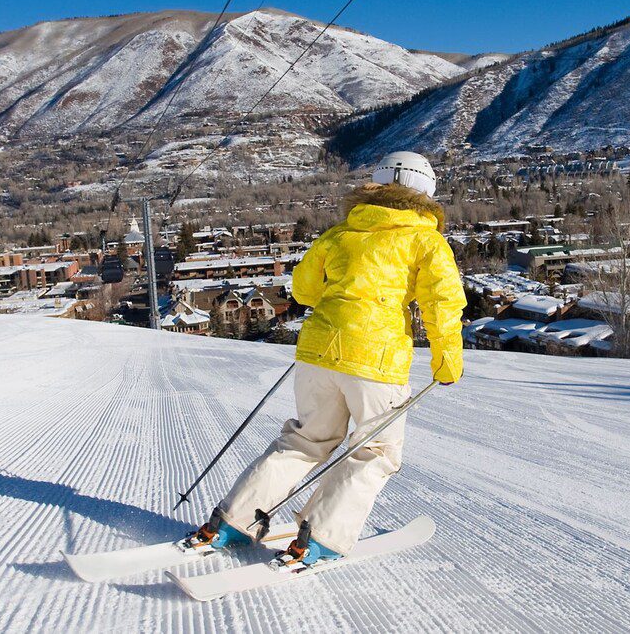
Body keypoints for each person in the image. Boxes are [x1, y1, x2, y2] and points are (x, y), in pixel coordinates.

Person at [182, 151, 466, 568]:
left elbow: (302, 290)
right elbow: (442, 303)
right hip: (376, 358)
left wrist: (339, 301)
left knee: (304, 440)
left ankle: (230, 523)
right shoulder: (425, 239)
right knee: (375, 451)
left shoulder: (339, 234)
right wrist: (448, 359)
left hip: (317, 351)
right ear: (427, 193)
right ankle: (319, 538)